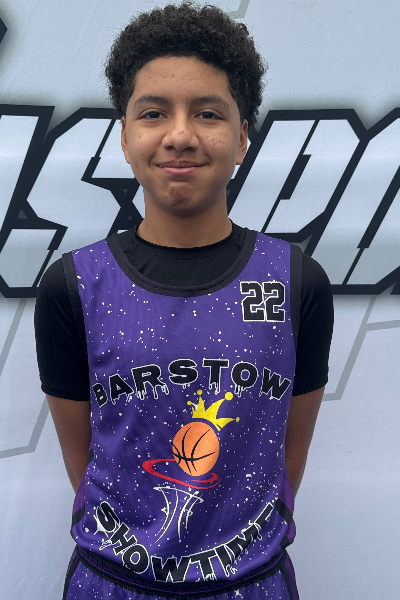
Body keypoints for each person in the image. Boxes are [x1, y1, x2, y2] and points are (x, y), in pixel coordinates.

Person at [34, 3, 334, 599]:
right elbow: (85, 461)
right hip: (112, 583)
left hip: (250, 584)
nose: (179, 135)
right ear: (125, 137)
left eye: (207, 113)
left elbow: (286, 460)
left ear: (242, 137)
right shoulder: (73, 286)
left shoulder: (297, 282)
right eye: (153, 113)